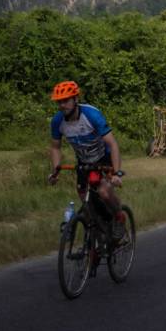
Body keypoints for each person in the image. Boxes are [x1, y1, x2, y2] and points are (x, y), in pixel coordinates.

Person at [46, 81, 126, 240]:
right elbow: (55, 147)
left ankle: (119, 217)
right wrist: (55, 172)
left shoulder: (91, 115)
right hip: (84, 162)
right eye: (59, 102)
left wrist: (116, 173)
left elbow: (113, 144)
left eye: (66, 100)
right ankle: (98, 236)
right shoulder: (57, 121)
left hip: (104, 157)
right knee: (85, 200)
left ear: (76, 99)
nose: (62, 105)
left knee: (104, 192)